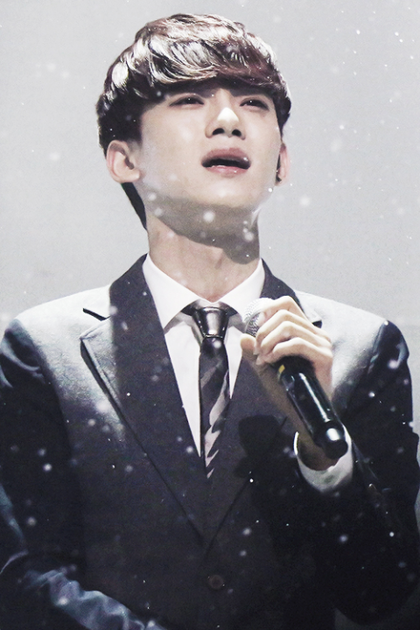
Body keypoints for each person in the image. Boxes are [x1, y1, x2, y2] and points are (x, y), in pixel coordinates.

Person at [0, 13, 418, 630]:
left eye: (253, 103)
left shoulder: (361, 347)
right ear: (124, 158)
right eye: (189, 99)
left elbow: (381, 594)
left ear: (281, 162)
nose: (228, 120)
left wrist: (325, 454)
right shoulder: (43, 350)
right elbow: (24, 580)